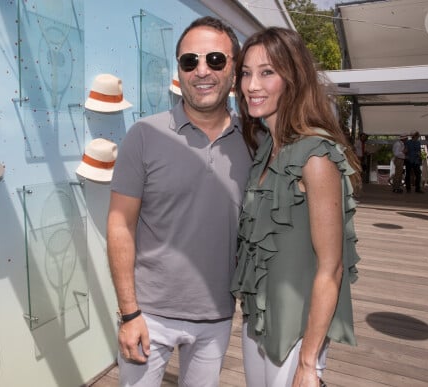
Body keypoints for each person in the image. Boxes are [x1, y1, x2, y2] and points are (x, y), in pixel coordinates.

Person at [106, 16, 252, 386]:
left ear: (234, 70)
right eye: (190, 61)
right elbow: (120, 224)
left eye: (216, 60)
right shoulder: (143, 135)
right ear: (180, 71)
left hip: (218, 314)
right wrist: (128, 313)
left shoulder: (255, 142)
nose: (202, 71)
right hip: (148, 315)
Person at [230, 27, 361, 387]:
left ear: (293, 78)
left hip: (297, 336)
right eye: (246, 73)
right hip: (258, 323)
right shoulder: (263, 151)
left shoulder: (315, 156)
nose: (252, 85)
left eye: (267, 72)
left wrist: (308, 363)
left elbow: (331, 269)